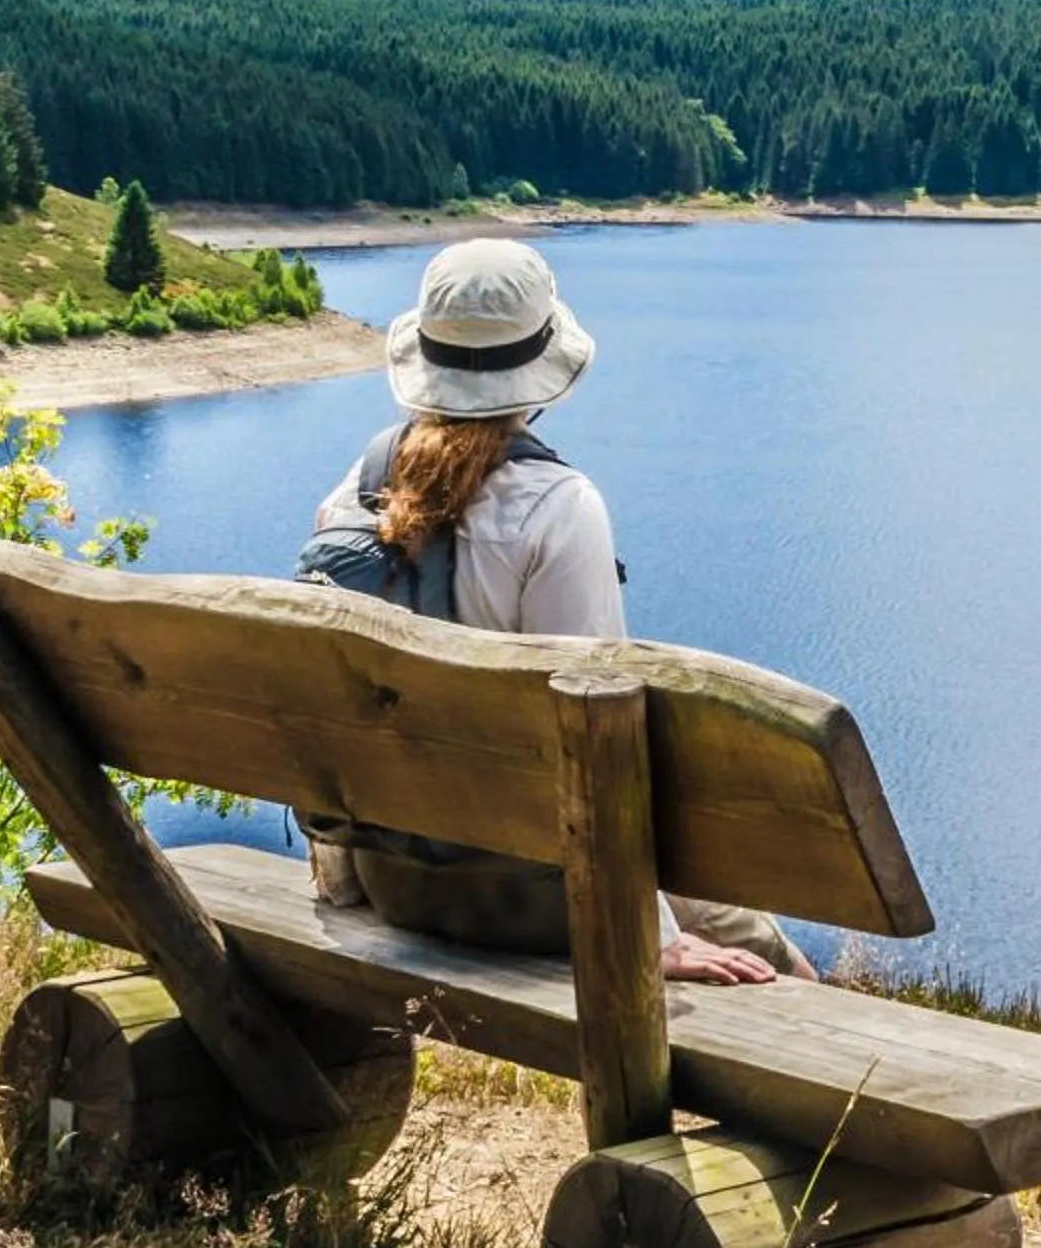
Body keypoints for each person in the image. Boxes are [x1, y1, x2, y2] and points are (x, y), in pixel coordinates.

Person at [305, 236, 812, 987]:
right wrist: (654, 932)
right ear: (540, 372)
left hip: (389, 879)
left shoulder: (357, 492)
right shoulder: (558, 509)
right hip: (529, 896)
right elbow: (598, 731)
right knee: (768, 953)